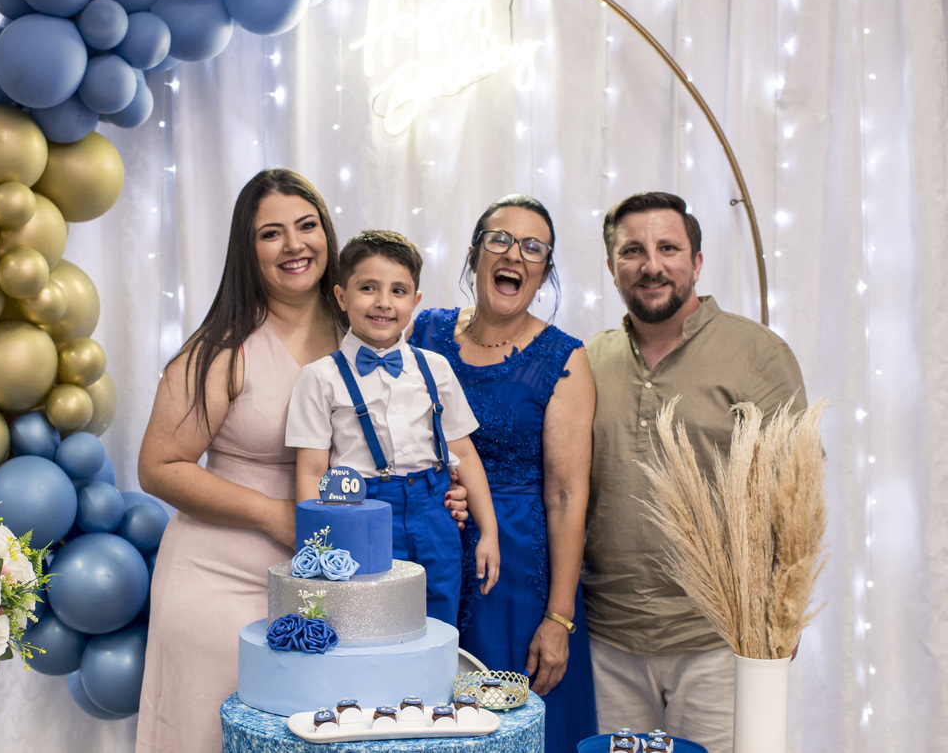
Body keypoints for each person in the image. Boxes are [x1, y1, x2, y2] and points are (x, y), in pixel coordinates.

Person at [134, 172, 466, 752]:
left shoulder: (363, 326)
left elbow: (413, 436)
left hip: (336, 582)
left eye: (307, 225)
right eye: (271, 233)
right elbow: (159, 466)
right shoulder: (219, 347)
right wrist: (274, 515)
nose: (295, 245)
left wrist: (444, 487)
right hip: (223, 580)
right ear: (248, 249)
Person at [584, 191, 807, 753]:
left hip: (720, 640)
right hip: (608, 640)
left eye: (668, 248)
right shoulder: (587, 360)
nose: (651, 265)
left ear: (697, 262)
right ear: (611, 267)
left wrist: (783, 612)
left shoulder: (756, 352)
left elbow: (794, 489)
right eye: (632, 251)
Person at [409, 194, 598, 751]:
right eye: (500, 239)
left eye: (532, 247)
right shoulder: (422, 331)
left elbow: (567, 495)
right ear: (473, 255)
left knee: (512, 727)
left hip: (517, 574)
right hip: (429, 547)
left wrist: (558, 619)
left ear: (543, 272)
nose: (514, 253)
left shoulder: (564, 357)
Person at [287, 231, 499, 626]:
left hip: (434, 515)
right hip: (361, 515)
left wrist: (489, 531)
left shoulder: (435, 367)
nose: (384, 302)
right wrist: (316, 551)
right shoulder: (319, 377)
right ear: (341, 296)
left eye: (399, 291)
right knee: (367, 624)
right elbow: (312, 471)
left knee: (437, 623)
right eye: (368, 287)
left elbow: (464, 452)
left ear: (415, 302)